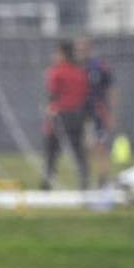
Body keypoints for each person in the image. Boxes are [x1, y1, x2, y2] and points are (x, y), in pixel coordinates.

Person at [41, 40, 89, 190]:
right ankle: (83, 182)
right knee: (78, 150)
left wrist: (49, 111)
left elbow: (52, 94)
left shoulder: (57, 71)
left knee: (51, 150)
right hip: (77, 115)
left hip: (60, 115)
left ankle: (47, 182)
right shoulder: (80, 72)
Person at [76, 37, 115, 188]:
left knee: (100, 146)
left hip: (98, 113)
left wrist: (110, 113)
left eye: (83, 48)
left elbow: (111, 90)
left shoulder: (99, 66)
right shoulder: (76, 67)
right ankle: (87, 178)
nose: (81, 52)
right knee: (85, 147)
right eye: (79, 49)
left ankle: (103, 178)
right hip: (80, 113)